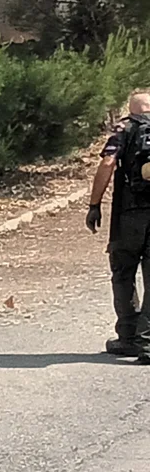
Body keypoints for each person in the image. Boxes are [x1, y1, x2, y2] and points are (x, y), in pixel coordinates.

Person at [87, 90, 150, 358]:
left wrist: (94, 204)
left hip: (129, 214)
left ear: (132, 109)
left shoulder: (124, 129)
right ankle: (147, 342)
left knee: (123, 272)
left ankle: (128, 336)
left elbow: (108, 162)